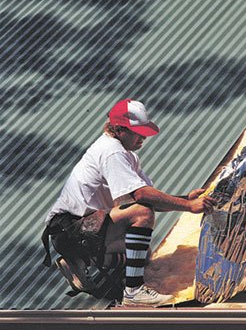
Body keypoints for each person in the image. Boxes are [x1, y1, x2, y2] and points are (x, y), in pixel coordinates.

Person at [42, 99, 214, 306]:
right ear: (119, 129)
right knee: (142, 214)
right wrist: (188, 207)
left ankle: (82, 261)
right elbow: (142, 198)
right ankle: (134, 290)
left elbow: (150, 196)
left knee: (142, 254)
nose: (143, 137)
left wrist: (185, 199)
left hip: (82, 230)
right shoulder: (112, 151)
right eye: (137, 132)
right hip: (71, 229)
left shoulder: (126, 154)